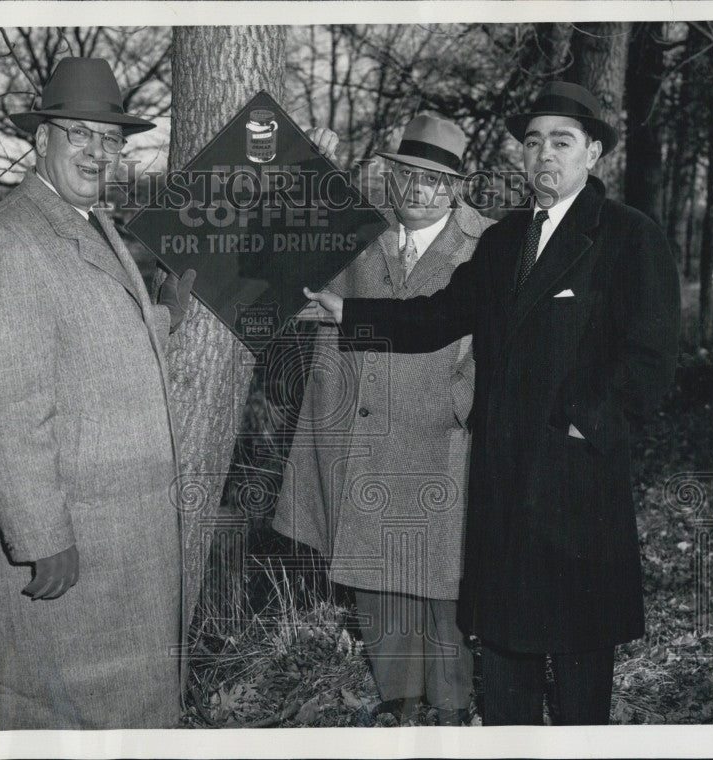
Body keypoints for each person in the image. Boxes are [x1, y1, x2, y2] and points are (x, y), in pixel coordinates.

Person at [304, 82, 680, 725]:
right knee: (506, 662)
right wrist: (350, 314)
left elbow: (651, 361)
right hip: (502, 482)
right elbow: (440, 315)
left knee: (580, 669)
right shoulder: (505, 239)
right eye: (532, 142)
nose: (543, 156)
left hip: (576, 490)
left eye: (561, 142)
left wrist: (584, 427)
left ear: (593, 153)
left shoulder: (628, 236)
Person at [0, 57, 194, 729]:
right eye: (78, 134)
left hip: (120, 537)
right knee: (56, 714)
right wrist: (39, 534)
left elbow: (100, 347)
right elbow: (3, 407)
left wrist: (164, 310)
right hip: (71, 543)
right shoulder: (5, 241)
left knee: (115, 714)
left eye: (109, 139)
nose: (96, 151)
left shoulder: (91, 224)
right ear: (42, 141)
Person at [275, 114, 493, 725]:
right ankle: (398, 695)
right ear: (391, 178)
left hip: (440, 434)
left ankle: (451, 704)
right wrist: (306, 174)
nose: (421, 191)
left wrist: (463, 405)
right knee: (373, 568)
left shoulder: (487, 243)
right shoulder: (361, 235)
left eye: (437, 180)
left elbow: (502, 341)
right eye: (409, 176)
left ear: (459, 187)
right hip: (363, 429)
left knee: (440, 580)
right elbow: (291, 268)